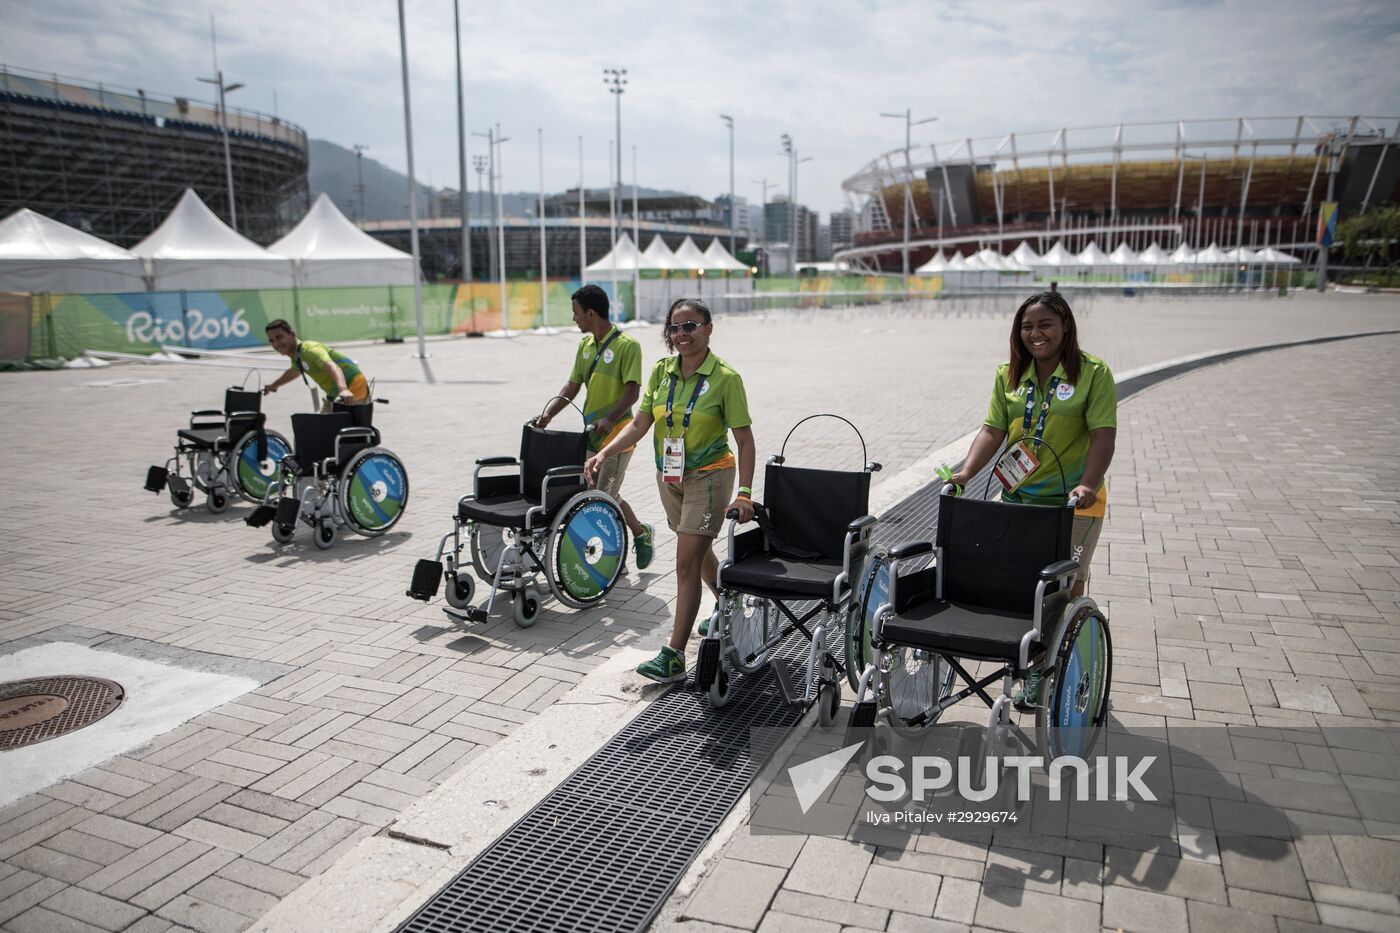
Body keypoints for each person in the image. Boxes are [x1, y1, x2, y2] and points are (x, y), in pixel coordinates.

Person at [947, 290, 1117, 706]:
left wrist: (1089, 483)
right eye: (1027, 326)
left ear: (1065, 328)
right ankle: (1029, 655)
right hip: (1019, 499)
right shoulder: (1009, 374)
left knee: (1063, 592)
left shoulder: (1093, 373)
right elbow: (992, 430)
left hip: (1072, 504)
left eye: (1045, 325)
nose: (1035, 334)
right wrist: (966, 473)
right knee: (1022, 584)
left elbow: (1103, 434)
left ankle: (1049, 670)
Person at [585, 298, 755, 684]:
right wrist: (605, 452)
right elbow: (640, 423)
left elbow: (745, 441)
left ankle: (674, 655)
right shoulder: (662, 372)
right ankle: (728, 602)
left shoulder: (726, 378)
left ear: (709, 328)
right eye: (675, 328)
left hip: (709, 476)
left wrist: (743, 492)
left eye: (691, 325)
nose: (682, 334)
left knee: (684, 563)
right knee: (696, 548)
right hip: (671, 477)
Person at [534, 284, 655, 570]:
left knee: (603, 497)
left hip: (619, 435)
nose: (573, 318)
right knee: (598, 493)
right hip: (591, 435)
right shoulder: (584, 346)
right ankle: (640, 533)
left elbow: (632, 392)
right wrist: (548, 415)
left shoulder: (628, 345)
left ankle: (610, 561)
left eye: (576, 312)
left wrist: (611, 419)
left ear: (591, 312)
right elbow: (573, 385)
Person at [261, 320, 369, 411]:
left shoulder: (309, 350)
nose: (276, 344)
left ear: (292, 334)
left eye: (279, 337)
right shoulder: (296, 355)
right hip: (334, 393)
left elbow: (332, 366)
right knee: (320, 428)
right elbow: (293, 372)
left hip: (353, 385)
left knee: (345, 431)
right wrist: (273, 386)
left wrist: (343, 389)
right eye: (272, 340)